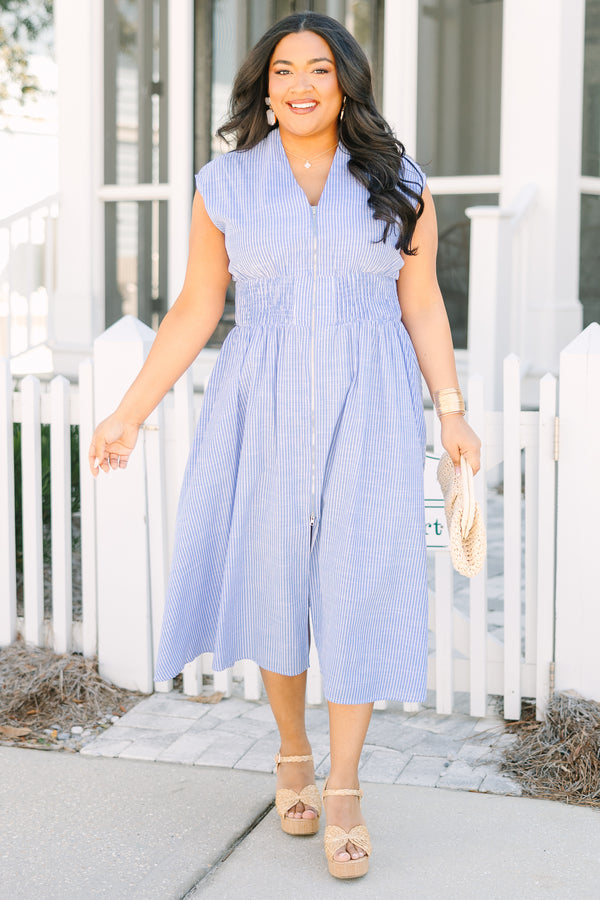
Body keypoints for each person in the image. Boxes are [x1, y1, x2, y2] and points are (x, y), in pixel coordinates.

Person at [88, 12, 481, 881]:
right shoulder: (225, 184)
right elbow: (196, 307)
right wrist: (129, 411)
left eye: (317, 69)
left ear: (345, 83)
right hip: (258, 399)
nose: (299, 84)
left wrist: (451, 410)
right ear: (264, 88)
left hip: (372, 402)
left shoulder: (401, 180)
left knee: (359, 580)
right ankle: (292, 752)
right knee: (274, 577)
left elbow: (422, 304)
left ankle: (343, 786)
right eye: (282, 71)